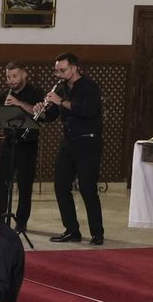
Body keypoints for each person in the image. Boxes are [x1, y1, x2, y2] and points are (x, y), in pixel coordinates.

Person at [33, 52, 105, 245]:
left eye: (62, 70)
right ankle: (72, 230)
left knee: (88, 189)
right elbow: (52, 116)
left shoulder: (90, 87)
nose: (59, 74)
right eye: (56, 71)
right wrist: (41, 111)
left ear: (74, 67)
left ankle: (97, 233)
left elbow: (88, 111)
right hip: (69, 142)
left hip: (88, 142)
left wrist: (61, 101)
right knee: (61, 186)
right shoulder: (62, 88)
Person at [0, 61, 44, 233]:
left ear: (24, 74)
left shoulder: (36, 93)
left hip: (27, 143)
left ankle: (22, 221)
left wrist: (18, 103)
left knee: (24, 184)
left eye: (15, 76)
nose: (11, 80)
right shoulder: (4, 95)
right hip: (9, 142)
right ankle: (0, 218)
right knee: (1, 182)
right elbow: (1, 118)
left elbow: (41, 115)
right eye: (8, 77)